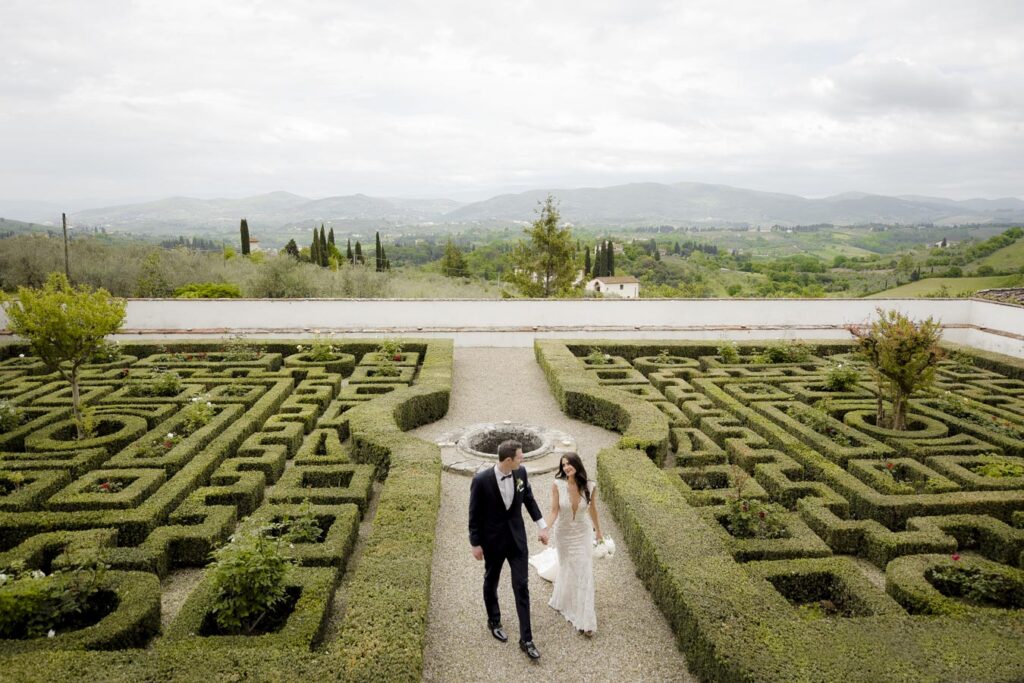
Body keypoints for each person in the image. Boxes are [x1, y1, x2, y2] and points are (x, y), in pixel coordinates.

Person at [468, 439, 549, 660]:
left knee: (521, 586)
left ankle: (526, 639)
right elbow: (474, 515)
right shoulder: (481, 480)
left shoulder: (521, 472)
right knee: (491, 580)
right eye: (520, 457)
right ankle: (494, 620)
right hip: (492, 542)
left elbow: (529, 500)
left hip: (517, 540)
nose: (523, 459)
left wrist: (542, 526)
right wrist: (475, 543)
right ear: (508, 460)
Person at [543, 452, 602, 636]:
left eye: (569, 463)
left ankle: (586, 619)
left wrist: (598, 531)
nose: (566, 467)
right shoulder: (557, 485)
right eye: (563, 465)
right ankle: (566, 599)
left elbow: (593, 510)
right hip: (564, 534)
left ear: (577, 464)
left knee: (584, 570)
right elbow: (554, 511)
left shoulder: (590, 486)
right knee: (568, 566)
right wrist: (545, 528)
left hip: (583, 532)